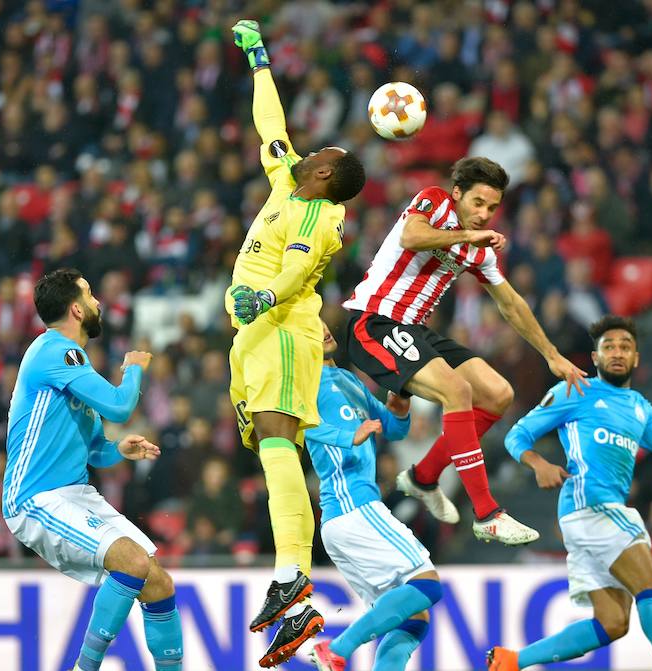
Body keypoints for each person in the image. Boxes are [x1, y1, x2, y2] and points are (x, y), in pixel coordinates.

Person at [342, 156, 586, 544]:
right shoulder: (435, 201)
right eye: (477, 203)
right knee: (458, 391)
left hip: (414, 331)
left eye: (491, 208)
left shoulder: (480, 250)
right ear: (458, 194)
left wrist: (552, 354)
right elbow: (412, 237)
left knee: (497, 394)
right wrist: (465, 237)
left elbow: (511, 304)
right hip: (374, 321)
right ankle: (487, 512)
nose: (484, 214)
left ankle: (423, 478)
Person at [225, 19, 367, 668]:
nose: (315, 152)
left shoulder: (322, 213)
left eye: (326, 156)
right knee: (272, 449)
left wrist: (265, 297)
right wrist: (259, 60)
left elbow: (293, 268)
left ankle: (294, 577)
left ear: (329, 177)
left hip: (282, 329)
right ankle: (295, 595)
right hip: (255, 336)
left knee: (282, 442)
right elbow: (270, 124)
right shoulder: (290, 182)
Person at [486, 315, 652, 671]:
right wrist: (538, 464)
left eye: (625, 347)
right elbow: (517, 436)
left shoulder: (640, 408)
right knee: (651, 584)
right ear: (595, 358)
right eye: (608, 347)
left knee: (613, 623)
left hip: (594, 517)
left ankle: (512, 661)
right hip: (589, 506)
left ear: (636, 358)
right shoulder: (576, 389)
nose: (617, 353)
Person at [1, 268, 182, 671]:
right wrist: (134, 367)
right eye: (90, 294)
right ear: (76, 310)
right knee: (132, 563)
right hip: (35, 497)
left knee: (158, 583)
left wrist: (119, 447)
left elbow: (95, 450)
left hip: (74, 493)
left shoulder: (72, 367)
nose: (98, 301)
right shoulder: (54, 351)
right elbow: (119, 406)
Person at [306, 323, 441, 671]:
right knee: (428, 585)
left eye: (321, 323)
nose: (322, 330)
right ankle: (337, 648)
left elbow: (393, 430)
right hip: (353, 505)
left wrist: (400, 405)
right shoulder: (304, 382)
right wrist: (348, 435)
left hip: (345, 517)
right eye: (310, 327)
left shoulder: (349, 382)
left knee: (414, 617)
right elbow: (295, 424)